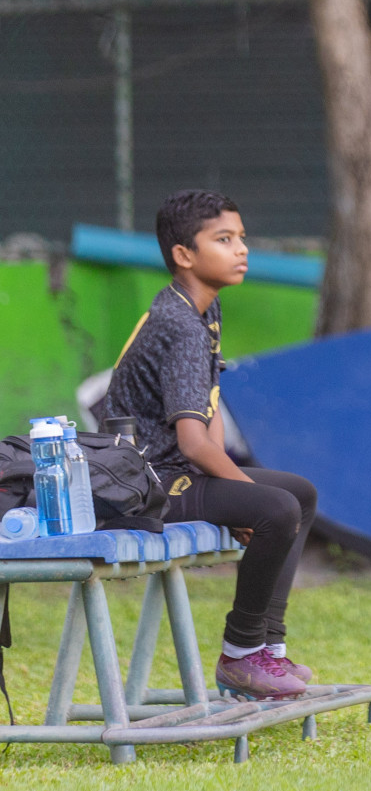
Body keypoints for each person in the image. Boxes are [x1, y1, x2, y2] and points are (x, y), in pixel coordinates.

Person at [99, 190, 319, 701]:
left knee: (298, 495)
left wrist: (234, 488)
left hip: (178, 470)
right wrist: (241, 492)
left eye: (241, 238)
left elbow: (208, 404)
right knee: (276, 508)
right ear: (184, 254)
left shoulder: (202, 306)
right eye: (224, 239)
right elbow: (193, 442)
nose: (241, 249)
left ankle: (269, 646)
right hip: (144, 484)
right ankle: (241, 656)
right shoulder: (179, 325)